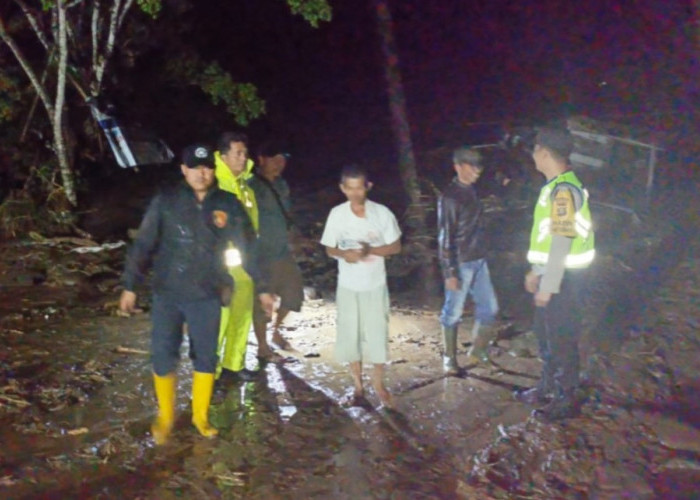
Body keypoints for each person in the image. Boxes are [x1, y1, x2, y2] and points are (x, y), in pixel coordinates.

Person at [119, 144, 270, 445]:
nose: (202, 173)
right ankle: (166, 416)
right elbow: (144, 243)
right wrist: (130, 285)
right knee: (163, 354)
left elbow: (247, 246)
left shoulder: (227, 203)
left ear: (213, 170)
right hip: (168, 292)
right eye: (195, 167)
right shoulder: (167, 200)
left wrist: (263, 287)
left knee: (205, 357)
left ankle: (200, 416)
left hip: (207, 292)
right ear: (183, 170)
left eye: (207, 167)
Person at [514, 127, 595, 421]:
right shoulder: (557, 186)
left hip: (565, 279)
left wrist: (548, 283)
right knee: (545, 333)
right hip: (555, 274)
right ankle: (547, 387)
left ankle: (566, 398)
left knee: (561, 337)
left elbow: (562, 239)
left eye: (535, 149)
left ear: (545, 152)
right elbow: (548, 238)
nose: (533, 155)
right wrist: (537, 271)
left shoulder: (562, 190)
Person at [320, 165, 401, 408]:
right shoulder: (337, 214)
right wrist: (345, 254)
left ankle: (378, 384)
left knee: (377, 335)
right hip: (347, 286)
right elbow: (329, 248)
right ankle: (357, 385)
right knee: (350, 336)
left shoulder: (382, 213)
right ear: (343, 188)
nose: (355, 193)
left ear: (368, 187)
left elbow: (395, 246)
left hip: (375, 285)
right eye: (350, 188)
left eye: (360, 188)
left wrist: (370, 250)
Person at [437, 147, 499, 375]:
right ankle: (449, 358)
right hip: (461, 262)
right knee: (453, 311)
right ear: (459, 166)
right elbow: (445, 237)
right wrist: (449, 272)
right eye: (472, 166)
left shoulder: (473, 191)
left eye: (478, 167)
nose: (477, 171)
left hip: (479, 260)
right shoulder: (450, 197)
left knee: (490, 308)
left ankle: (478, 350)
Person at [249, 140, 305, 360]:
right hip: (260, 254)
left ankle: (276, 332)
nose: (279, 164)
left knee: (294, 293)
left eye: (282, 159)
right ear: (261, 159)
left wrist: (296, 240)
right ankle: (263, 347)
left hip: (282, 250)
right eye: (274, 158)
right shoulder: (251, 187)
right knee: (262, 302)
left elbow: (286, 215)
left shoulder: (281, 185)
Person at [213, 131, 260, 382]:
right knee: (220, 317)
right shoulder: (214, 183)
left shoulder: (244, 185)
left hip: (245, 263)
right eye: (237, 154)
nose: (243, 159)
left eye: (245, 153)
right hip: (222, 264)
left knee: (241, 314)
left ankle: (233, 365)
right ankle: (211, 372)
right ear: (223, 156)